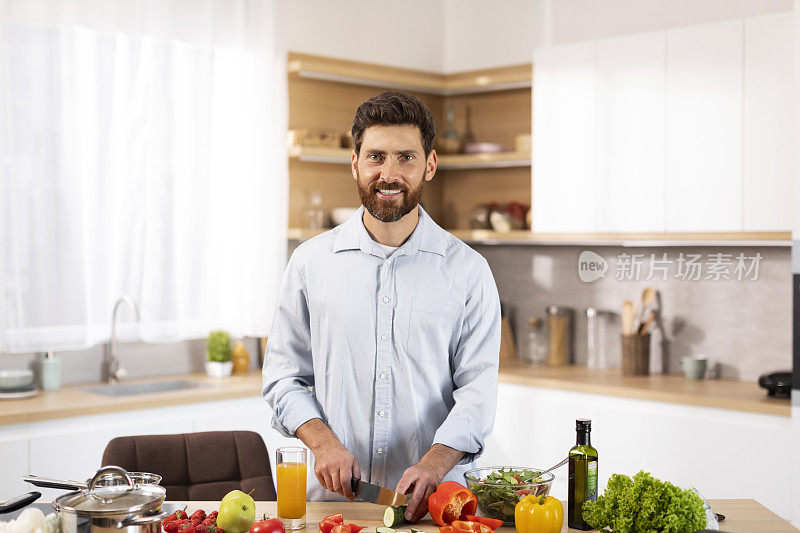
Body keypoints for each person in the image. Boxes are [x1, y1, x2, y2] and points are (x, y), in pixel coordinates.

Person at [263, 91, 500, 522]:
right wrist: (323, 443)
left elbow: (478, 394)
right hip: (332, 508)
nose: (388, 174)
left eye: (405, 157)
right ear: (355, 163)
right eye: (375, 157)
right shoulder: (309, 264)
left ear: (429, 164)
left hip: (434, 510)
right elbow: (284, 378)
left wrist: (434, 464)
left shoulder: (469, 271)